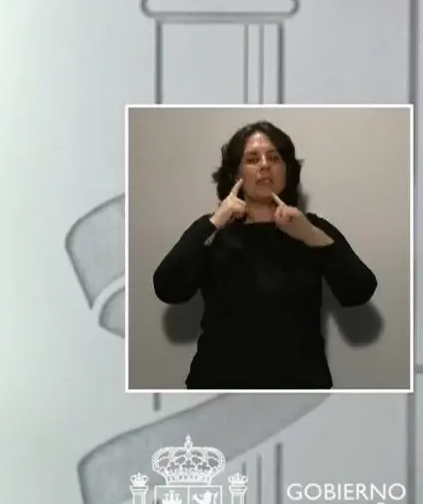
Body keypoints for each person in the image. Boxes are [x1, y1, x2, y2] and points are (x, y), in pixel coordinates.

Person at [151, 120, 378, 391]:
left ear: (287, 170)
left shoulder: (311, 227)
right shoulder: (214, 230)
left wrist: (310, 235)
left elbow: (359, 292)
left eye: (274, 158)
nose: (264, 165)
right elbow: (168, 288)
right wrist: (215, 221)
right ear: (235, 174)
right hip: (218, 387)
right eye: (252, 159)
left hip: (299, 389)